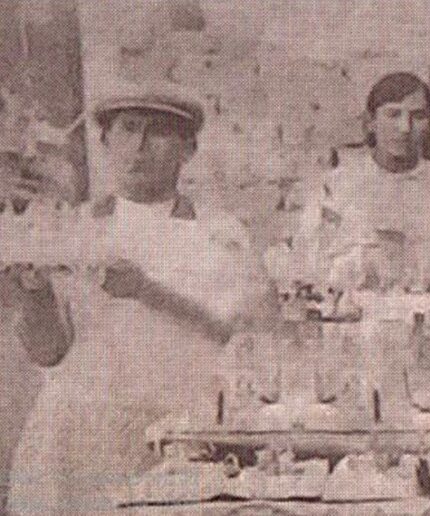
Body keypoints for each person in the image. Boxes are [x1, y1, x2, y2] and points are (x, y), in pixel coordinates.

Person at [4, 83, 278, 514]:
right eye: (128, 129)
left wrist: (148, 292)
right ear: (106, 141)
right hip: (81, 438)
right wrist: (33, 294)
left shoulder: (220, 234)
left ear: (188, 149)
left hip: (180, 434)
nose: (140, 146)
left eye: (159, 132)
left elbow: (247, 336)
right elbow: (49, 351)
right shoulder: (73, 228)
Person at [298, 72, 430, 304]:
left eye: (418, 116)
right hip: (357, 317)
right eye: (393, 114)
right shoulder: (336, 187)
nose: (405, 127)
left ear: (429, 125)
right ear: (371, 123)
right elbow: (311, 268)